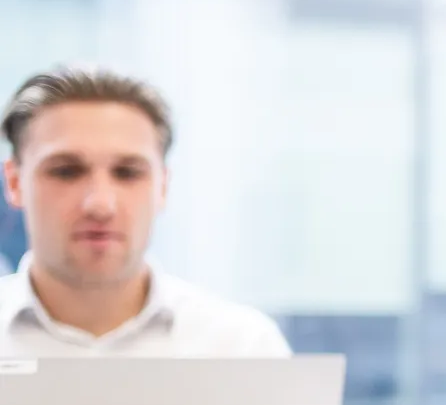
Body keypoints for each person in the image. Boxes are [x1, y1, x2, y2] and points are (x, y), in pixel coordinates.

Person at [0, 67, 290, 357]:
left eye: (127, 173)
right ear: (14, 182)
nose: (100, 205)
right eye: (66, 171)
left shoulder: (243, 348)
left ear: (162, 186)